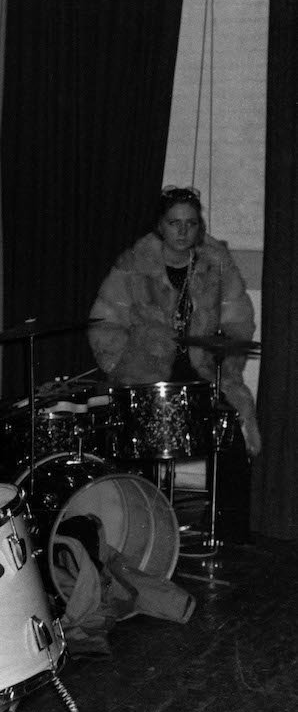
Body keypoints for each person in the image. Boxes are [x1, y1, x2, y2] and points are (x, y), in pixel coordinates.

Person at [89, 185, 259, 537]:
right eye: (174, 223)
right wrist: (124, 368)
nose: (183, 231)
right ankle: (144, 531)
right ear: (160, 226)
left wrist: (223, 358)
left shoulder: (217, 263)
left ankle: (228, 530)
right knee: (142, 444)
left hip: (203, 373)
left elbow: (238, 317)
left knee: (231, 435)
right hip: (145, 375)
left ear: (200, 227)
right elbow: (105, 323)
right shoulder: (133, 265)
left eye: (191, 223)